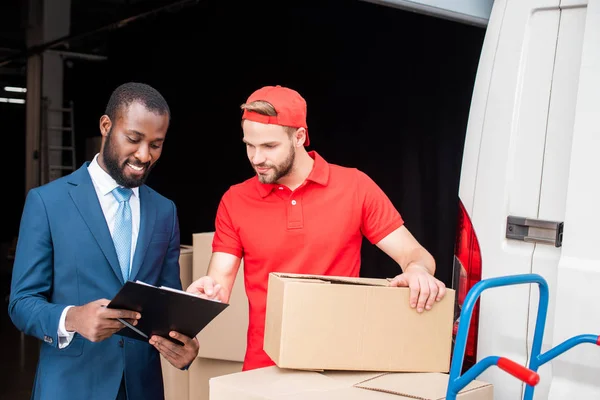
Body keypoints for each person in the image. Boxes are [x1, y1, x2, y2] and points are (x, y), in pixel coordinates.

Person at [186, 84, 447, 372]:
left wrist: (418, 271)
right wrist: (205, 293)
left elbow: (417, 256)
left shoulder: (355, 186)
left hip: (338, 365)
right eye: (249, 145)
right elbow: (218, 284)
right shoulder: (235, 200)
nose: (256, 158)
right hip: (264, 370)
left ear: (299, 137)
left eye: (269, 146)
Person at [9, 82, 198, 400]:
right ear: (106, 126)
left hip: (143, 388)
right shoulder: (47, 202)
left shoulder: (165, 211)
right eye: (134, 139)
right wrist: (72, 318)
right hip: (70, 388)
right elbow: (21, 303)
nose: (143, 155)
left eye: (156, 144)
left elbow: (167, 302)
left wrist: (183, 343)